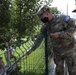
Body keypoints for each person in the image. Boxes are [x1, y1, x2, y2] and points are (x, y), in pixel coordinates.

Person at [26, 5, 76, 75]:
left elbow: (73, 28)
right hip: (57, 53)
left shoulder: (62, 18)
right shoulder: (46, 25)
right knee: (59, 72)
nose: (41, 19)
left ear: (47, 13)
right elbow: (40, 37)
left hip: (70, 50)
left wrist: (60, 34)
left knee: (72, 71)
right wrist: (32, 49)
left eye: (42, 17)